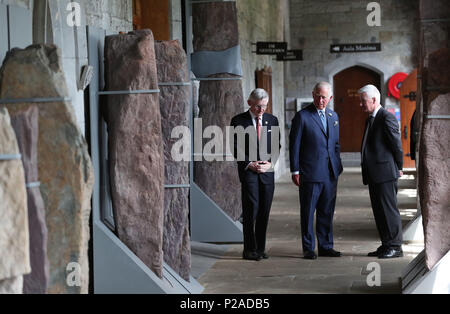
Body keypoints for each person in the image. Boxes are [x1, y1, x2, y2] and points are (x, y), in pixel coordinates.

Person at [289, 82, 343, 260]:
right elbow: (294, 146)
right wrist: (295, 170)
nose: (321, 100)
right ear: (313, 95)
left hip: (330, 173)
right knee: (308, 211)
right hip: (310, 172)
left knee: (327, 211)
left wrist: (338, 166)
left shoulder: (333, 116)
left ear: (330, 98)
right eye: (318, 96)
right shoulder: (302, 116)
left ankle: (326, 246)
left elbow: (335, 144)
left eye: (324, 97)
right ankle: (308, 248)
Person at [230, 88, 280, 261]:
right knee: (251, 210)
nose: (262, 110)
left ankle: (260, 248)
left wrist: (270, 163)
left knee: (264, 211)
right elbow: (234, 146)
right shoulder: (238, 120)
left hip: (267, 172)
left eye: (265, 106)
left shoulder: (272, 120)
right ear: (249, 103)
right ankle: (249, 249)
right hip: (249, 172)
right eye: (258, 106)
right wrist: (249, 164)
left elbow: (276, 146)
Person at [358, 84, 404, 259]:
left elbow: (396, 146)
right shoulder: (371, 118)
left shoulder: (386, 117)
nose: (361, 105)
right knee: (379, 211)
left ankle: (395, 246)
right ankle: (386, 244)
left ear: (374, 100)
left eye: (363, 102)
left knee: (388, 210)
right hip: (374, 173)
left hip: (385, 173)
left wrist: (399, 167)